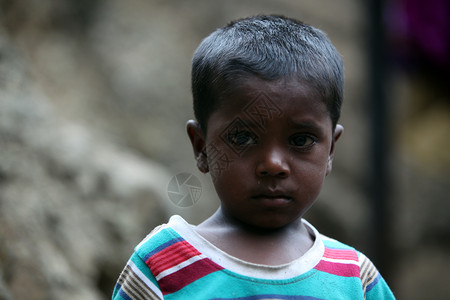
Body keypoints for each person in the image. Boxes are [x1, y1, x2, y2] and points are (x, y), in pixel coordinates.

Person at [112, 15, 395, 299]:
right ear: (201, 147)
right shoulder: (161, 267)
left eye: (301, 140)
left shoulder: (355, 278)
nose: (273, 164)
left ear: (330, 150)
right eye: (242, 138)